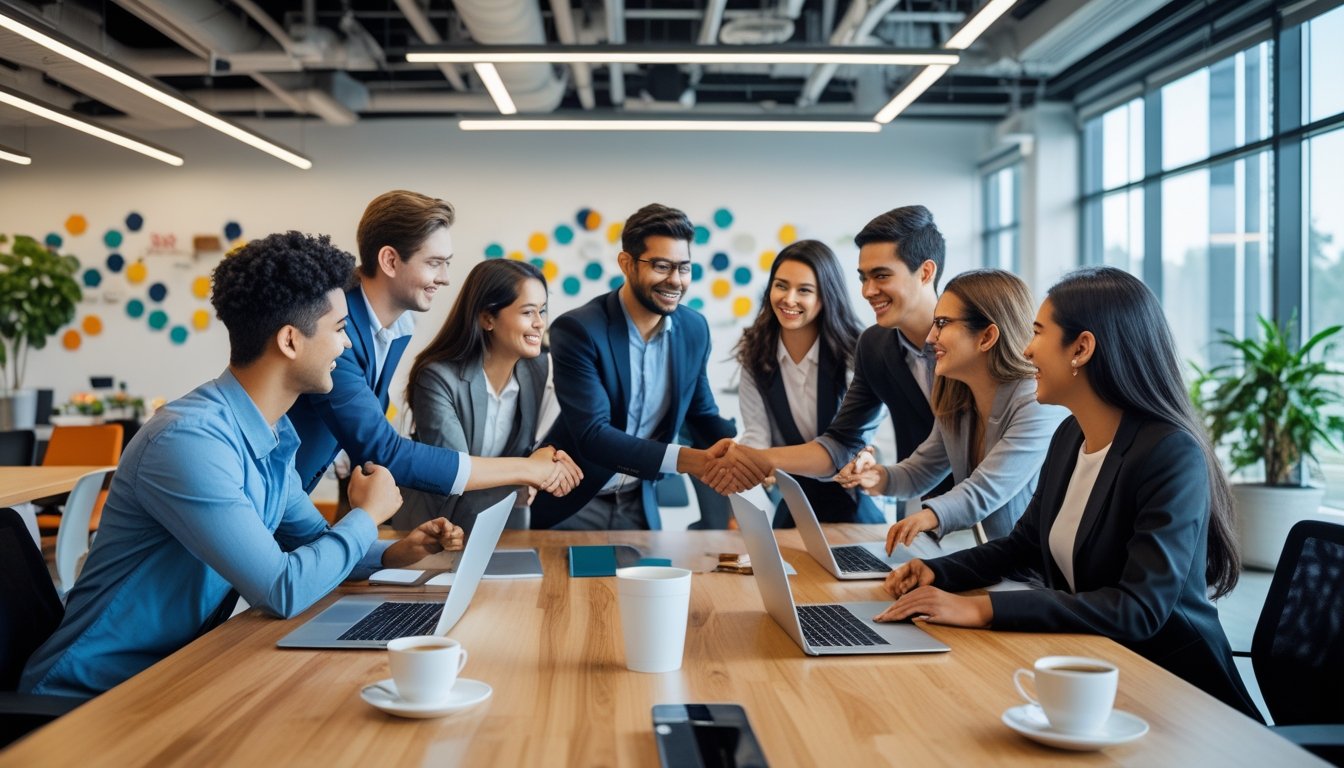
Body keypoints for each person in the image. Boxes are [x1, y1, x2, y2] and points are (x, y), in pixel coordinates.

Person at [21, 232, 465, 700]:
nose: (345, 346)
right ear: (291, 341)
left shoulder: (272, 437)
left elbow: (316, 546)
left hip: (172, 675)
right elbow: (283, 589)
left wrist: (394, 553)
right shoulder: (189, 442)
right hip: (85, 695)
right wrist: (366, 515)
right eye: (339, 329)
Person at [872, 266, 1261, 719]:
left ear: (1081, 348)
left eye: (1038, 333)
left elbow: (1138, 609)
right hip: (1091, 670)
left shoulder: (1169, 454)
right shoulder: (1071, 437)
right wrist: (936, 573)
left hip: (1175, 693)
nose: (1026, 348)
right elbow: (1025, 546)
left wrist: (983, 609)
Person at [285, 190, 580, 509]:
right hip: (272, 490)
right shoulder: (339, 332)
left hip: (293, 496)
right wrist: (526, 469)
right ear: (390, 260)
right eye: (435, 263)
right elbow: (385, 451)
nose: (445, 278)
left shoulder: (397, 328)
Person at [704, 206, 952, 512]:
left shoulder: (966, 339)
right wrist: (751, 459)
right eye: (863, 278)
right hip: (914, 507)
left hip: (976, 514)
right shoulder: (875, 346)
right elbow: (842, 443)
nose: (868, 291)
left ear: (925, 272)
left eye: (881, 276)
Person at [530, 203, 761, 530]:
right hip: (575, 502)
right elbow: (594, 435)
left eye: (684, 267)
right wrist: (688, 461)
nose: (675, 280)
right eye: (662, 266)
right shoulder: (579, 330)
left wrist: (749, 455)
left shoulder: (694, 329)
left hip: (639, 504)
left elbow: (702, 415)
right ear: (626, 263)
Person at [836, 269, 1065, 546]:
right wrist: (875, 476)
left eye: (942, 323)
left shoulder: (1037, 401)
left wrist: (926, 518)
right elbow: (920, 470)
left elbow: (985, 490)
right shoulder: (956, 393)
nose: (931, 337)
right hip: (993, 563)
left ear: (986, 337)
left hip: (1037, 574)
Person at [393, 259, 551, 534]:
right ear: (488, 318)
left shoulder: (538, 370)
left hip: (504, 531)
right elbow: (455, 473)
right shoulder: (436, 377)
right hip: (434, 530)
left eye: (543, 311)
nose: (539, 323)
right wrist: (528, 471)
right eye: (528, 312)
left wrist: (547, 462)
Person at [734, 239, 884, 526]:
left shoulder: (857, 352)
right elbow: (756, 436)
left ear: (825, 296)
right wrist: (748, 463)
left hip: (853, 502)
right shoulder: (755, 354)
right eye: (781, 286)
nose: (789, 299)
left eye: (804, 290)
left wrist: (759, 459)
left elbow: (852, 448)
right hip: (793, 500)